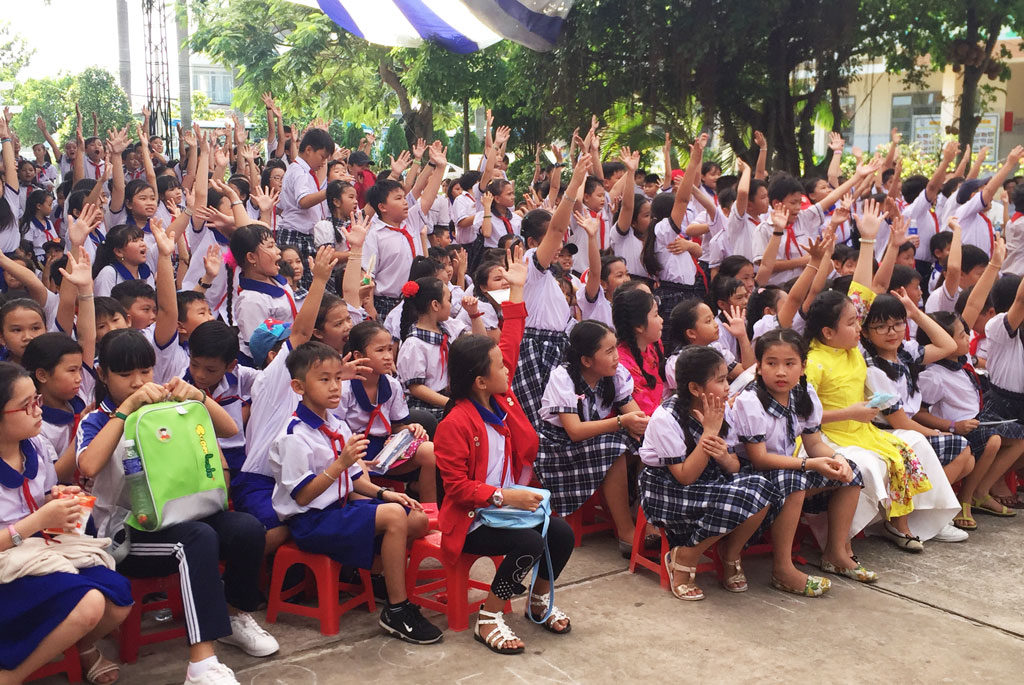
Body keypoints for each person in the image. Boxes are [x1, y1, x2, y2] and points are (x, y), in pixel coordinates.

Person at [76, 329, 277, 685]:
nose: (138, 382)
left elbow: (229, 428)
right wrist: (125, 412)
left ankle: (234, 616)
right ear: (103, 375)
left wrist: (198, 396)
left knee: (247, 529)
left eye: (145, 371)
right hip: (127, 534)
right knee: (196, 539)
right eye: (125, 374)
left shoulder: (165, 409)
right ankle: (201, 662)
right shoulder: (96, 420)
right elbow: (88, 466)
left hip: (184, 511)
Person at [434, 255, 575, 653]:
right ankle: (489, 617)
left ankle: (538, 599)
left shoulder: (501, 397)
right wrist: (505, 496)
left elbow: (511, 338)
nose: (507, 368)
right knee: (528, 543)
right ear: (480, 381)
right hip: (471, 519)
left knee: (561, 534)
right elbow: (457, 489)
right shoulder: (455, 423)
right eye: (498, 367)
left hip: (503, 509)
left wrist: (516, 288)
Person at [803, 199, 956, 552]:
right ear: (828, 332)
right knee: (872, 464)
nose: (860, 326)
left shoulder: (850, 347)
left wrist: (869, 240)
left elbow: (864, 291)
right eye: (852, 323)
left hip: (860, 428)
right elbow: (802, 418)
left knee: (911, 445)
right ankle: (838, 542)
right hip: (828, 436)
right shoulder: (812, 360)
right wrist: (852, 412)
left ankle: (901, 524)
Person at [268, 341, 442, 645]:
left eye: (338, 378)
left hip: (338, 512)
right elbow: (304, 496)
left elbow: (355, 479)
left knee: (415, 518)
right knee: (394, 518)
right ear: (298, 387)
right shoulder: (293, 436)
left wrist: (385, 494)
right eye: (324, 379)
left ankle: (369, 575)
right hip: (311, 521)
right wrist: (340, 464)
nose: (334, 386)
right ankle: (397, 609)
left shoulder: (336, 424)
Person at [0, 361, 132, 685]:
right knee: (90, 603)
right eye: (26, 406)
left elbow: (42, 498)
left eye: (37, 400)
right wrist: (38, 520)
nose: (38, 411)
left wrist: (57, 498)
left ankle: (81, 646)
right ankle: (12, 674)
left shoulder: (35, 445)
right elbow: (29, 522)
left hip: (38, 550)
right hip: (8, 564)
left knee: (118, 599)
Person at [732, 329, 874, 594]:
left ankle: (835, 552)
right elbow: (759, 459)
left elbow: (813, 444)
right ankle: (783, 569)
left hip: (788, 468)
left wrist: (837, 458)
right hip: (749, 473)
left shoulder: (803, 392)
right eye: (771, 363)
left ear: (803, 366)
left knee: (851, 471)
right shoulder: (750, 401)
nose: (781, 372)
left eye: (790, 364)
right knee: (795, 481)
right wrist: (809, 464)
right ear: (759, 367)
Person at [639, 345, 780, 601]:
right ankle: (685, 556)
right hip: (669, 489)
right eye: (721, 380)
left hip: (710, 478)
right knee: (741, 498)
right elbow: (684, 477)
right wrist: (709, 433)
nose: (728, 387)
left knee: (765, 488)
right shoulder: (666, 417)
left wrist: (724, 457)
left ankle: (730, 553)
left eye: (727, 379)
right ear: (695, 388)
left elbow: (734, 466)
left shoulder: (721, 409)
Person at [535, 320, 648, 551]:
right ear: (587, 361)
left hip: (595, 437)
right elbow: (575, 431)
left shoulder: (615, 374)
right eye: (609, 351)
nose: (616, 356)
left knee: (647, 444)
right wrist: (621, 422)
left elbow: (635, 416)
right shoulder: (563, 377)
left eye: (616, 348)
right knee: (613, 448)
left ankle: (649, 521)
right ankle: (626, 531)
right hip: (559, 447)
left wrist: (641, 426)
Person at [341, 320, 437, 502]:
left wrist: (410, 429)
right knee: (358, 472)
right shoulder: (344, 388)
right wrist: (353, 458)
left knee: (429, 451)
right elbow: (334, 433)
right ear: (358, 355)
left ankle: (429, 510)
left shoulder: (393, 385)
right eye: (380, 350)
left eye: (389, 349)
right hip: (353, 452)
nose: (388, 356)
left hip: (385, 451)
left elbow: (396, 426)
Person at [396, 277, 485, 422]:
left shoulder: (448, 326)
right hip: (428, 407)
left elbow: (480, 344)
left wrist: (473, 314)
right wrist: (450, 403)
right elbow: (416, 388)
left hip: (451, 398)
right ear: (435, 305)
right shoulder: (414, 344)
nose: (451, 304)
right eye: (449, 300)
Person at [276, 128, 334, 290]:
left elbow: (281, 207)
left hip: (299, 233)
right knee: (302, 286)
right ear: (308, 150)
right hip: (296, 235)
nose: (323, 162)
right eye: (322, 157)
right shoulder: (300, 172)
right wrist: (330, 191)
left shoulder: (303, 171)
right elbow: (303, 201)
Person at [228, 224, 296, 362]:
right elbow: (260, 349)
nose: (278, 251)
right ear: (251, 257)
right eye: (270, 246)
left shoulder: (277, 280)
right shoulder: (251, 301)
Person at [612, 287, 665, 415]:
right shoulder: (622, 365)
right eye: (656, 315)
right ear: (639, 326)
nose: (661, 320)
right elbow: (644, 415)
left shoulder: (652, 346)